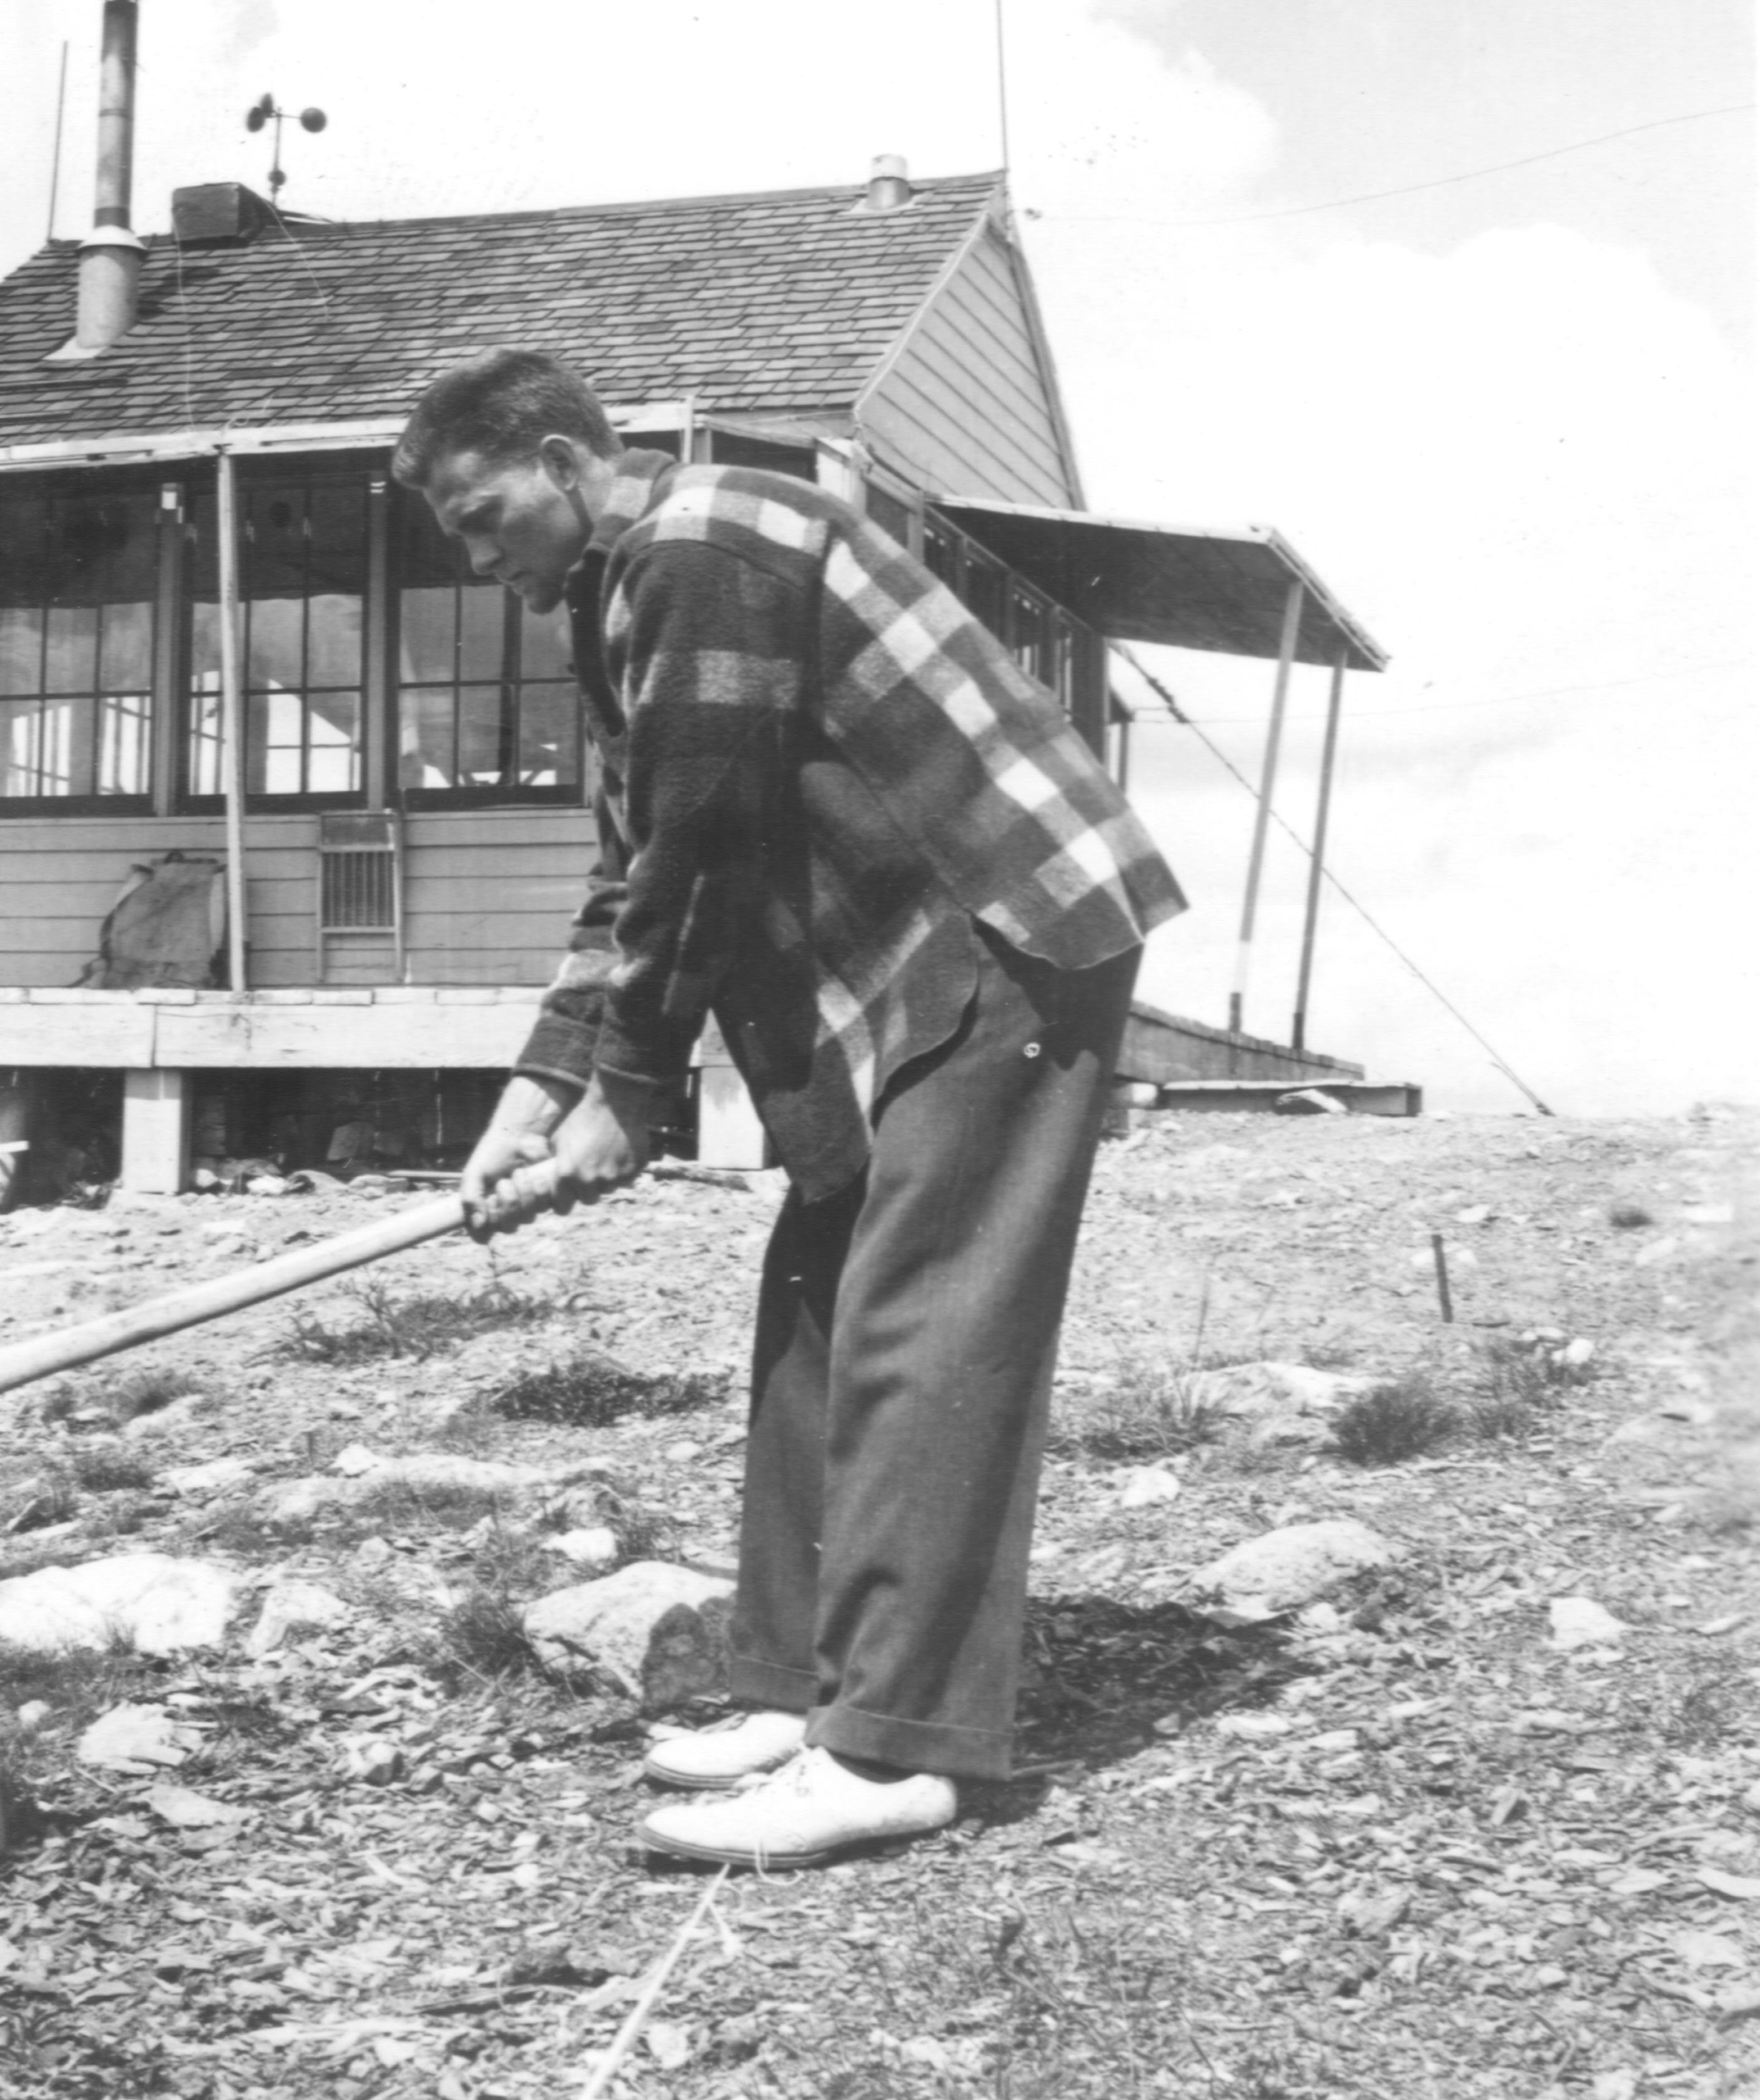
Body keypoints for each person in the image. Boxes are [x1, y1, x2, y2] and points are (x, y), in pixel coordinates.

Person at [392, 348, 1185, 1870]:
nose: (486, 562)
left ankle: (892, 1748)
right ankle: (800, 1678)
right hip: (891, 964)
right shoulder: (623, 594)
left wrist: (629, 1099)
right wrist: (536, 1088)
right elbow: (630, 873)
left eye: (490, 519)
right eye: (461, 541)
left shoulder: (704, 545)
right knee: (819, 1298)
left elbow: (701, 837)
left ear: (566, 461)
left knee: (922, 1319)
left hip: (1003, 923)